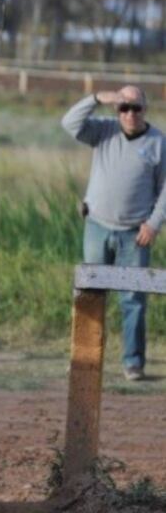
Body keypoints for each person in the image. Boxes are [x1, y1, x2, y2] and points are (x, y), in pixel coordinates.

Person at [62, 85, 166, 381]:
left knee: (133, 300)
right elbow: (69, 123)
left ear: (145, 109)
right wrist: (96, 98)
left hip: (135, 234)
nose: (130, 114)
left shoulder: (159, 143)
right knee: (90, 295)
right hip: (97, 226)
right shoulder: (103, 131)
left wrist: (154, 223)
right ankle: (85, 360)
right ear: (117, 109)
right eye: (124, 107)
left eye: (136, 108)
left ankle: (133, 363)